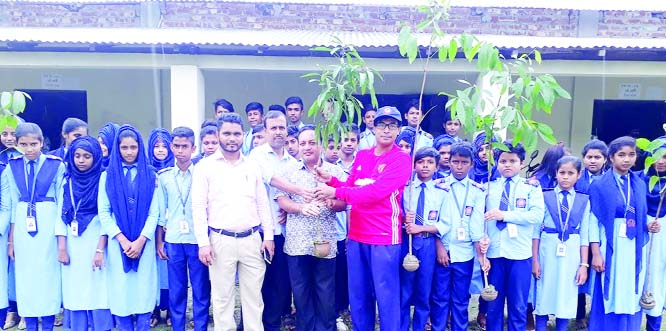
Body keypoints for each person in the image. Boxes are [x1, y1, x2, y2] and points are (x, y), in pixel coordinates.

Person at [314, 106, 412, 331]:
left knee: (386, 296)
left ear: (398, 130)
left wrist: (338, 192)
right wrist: (331, 180)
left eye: (392, 125)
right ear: (373, 127)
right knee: (358, 296)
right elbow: (350, 190)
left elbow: (375, 192)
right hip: (357, 235)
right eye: (381, 124)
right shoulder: (362, 155)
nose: (386, 130)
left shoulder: (401, 159)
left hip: (384, 236)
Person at [191, 113, 275, 331]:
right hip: (219, 240)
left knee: (254, 299)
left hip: (252, 240)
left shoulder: (252, 166)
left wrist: (268, 236)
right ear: (218, 134)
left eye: (237, 134)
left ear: (243, 135)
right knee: (222, 299)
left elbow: (262, 203)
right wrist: (203, 243)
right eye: (227, 133)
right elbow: (199, 208)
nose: (232, 138)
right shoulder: (204, 167)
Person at [276, 125, 347, 331]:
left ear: (321, 145)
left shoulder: (334, 171)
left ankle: (326, 327)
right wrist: (300, 208)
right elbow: (281, 200)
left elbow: (345, 202)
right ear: (297, 146)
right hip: (297, 243)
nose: (307, 147)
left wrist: (330, 201)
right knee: (300, 291)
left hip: (325, 241)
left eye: (312, 142)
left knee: (325, 289)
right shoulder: (287, 171)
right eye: (303, 143)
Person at [588, 136, 657, 331]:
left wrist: (649, 225)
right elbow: (594, 221)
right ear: (611, 158)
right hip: (610, 245)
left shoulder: (640, 183)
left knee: (631, 289)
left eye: (631, 155)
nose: (626, 159)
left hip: (634, 245)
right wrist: (596, 253)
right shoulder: (600, 184)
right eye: (621, 155)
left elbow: (641, 213)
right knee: (610, 288)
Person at [2, 123, 65, 331]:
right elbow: (10, 203)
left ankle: (47, 324)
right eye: (24, 144)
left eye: (34, 144)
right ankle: (30, 325)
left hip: (47, 223)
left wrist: (59, 235)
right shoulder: (13, 166)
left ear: (42, 142)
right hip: (22, 224)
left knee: (48, 276)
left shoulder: (56, 165)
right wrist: (11, 240)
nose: (29, 149)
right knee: (25, 278)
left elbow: (61, 202)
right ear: (18, 145)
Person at [98, 125, 160, 331]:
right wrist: (123, 240)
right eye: (124, 147)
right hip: (119, 245)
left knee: (143, 290)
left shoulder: (151, 175)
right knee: (121, 291)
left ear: (140, 148)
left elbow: (154, 212)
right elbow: (104, 212)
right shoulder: (107, 176)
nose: (129, 152)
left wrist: (141, 240)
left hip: (144, 243)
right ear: (117, 149)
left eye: (133, 147)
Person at [484, 141, 544, 331]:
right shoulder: (488, 188)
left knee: (518, 305)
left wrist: (505, 215)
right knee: (493, 303)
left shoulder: (531, 188)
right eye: (502, 161)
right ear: (496, 163)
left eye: (512, 161)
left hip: (519, 254)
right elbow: (481, 217)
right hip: (495, 253)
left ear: (521, 162)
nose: (507, 165)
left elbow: (536, 216)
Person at [56, 135, 113, 331]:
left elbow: (107, 216)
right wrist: (62, 248)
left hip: (95, 240)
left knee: (98, 287)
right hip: (72, 244)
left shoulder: (103, 178)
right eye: (77, 156)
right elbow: (59, 215)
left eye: (87, 156)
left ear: (96, 157)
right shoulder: (66, 179)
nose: (81, 160)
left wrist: (99, 250)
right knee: (75, 288)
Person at [156, 127, 210, 331]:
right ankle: (178, 327)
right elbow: (162, 213)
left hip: (198, 240)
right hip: (174, 240)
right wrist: (160, 241)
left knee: (200, 289)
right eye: (176, 146)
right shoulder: (164, 176)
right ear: (171, 147)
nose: (180, 151)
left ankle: (201, 327)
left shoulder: (203, 174)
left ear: (193, 148)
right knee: (177, 291)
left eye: (185, 146)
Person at [430, 142, 487, 331]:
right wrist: (439, 246)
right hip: (443, 251)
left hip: (465, 253)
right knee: (439, 297)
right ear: (449, 162)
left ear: (471, 164)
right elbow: (434, 219)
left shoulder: (478, 190)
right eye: (455, 162)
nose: (459, 166)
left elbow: (477, 225)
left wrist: (481, 256)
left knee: (461, 299)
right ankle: (438, 327)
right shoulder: (438, 186)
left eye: (464, 162)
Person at [249, 110, 296, 331]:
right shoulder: (257, 156)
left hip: (284, 231)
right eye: (273, 128)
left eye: (282, 128)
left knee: (279, 284)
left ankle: (272, 325)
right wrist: (300, 192)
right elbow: (274, 181)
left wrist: (289, 206)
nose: (278, 132)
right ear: (265, 131)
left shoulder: (292, 160)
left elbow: (289, 196)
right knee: (258, 284)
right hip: (260, 231)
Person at [532, 156, 591, 331]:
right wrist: (535, 259)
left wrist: (583, 264)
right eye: (562, 173)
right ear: (556, 174)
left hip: (572, 251)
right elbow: (536, 231)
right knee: (544, 291)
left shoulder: (583, 200)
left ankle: (562, 328)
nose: (565, 177)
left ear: (579, 175)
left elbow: (585, 235)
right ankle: (540, 327)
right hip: (547, 249)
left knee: (566, 292)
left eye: (571, 173)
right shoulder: (544, 196)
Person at [399, 147, 447, 331]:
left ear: (436, 167)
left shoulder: (441, 191)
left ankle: (419, 326)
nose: (425, 166)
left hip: (428, 243)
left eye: (430, 162)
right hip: (407, 242)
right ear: (414, 165)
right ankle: (402, 327)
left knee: (424, 291)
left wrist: (422, 227)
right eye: (420, 162)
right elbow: (396, 214)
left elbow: (445, 223)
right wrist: (405, 219)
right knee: (405, 290)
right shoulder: (406, 189)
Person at [573, 138, 608, 328]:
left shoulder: (609, 180)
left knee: (598, 276)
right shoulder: (576, 177)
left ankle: (597, 315)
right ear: (583, 158)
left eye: (597, 157)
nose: (592, 161)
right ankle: (579, 315)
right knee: (579, 273)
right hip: (578, 233)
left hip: (601, 232)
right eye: (589, 157)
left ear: (605, 159)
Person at [147, 128, 174, 327]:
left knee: (172, 271)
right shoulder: (146, 170)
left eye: (164, 146)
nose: (161, 150)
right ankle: (154, 309)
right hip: (151, 227)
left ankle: (172, 309)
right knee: (154, 272)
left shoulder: (175, 169)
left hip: (171, 227)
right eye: (156, 146)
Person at [643, 137, 666, 331]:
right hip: (640, 238)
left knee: (658, 281)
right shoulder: (638, 180)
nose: (660, 161)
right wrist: (645, 224)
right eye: (656, 156)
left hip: (663, 242)